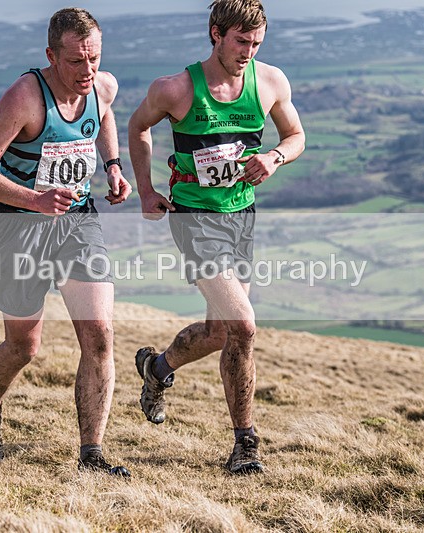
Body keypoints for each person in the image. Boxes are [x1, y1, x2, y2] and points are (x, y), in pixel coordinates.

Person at [127, 0, 305, 474]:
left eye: (256, 43)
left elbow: (296, 136)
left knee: (219, 332)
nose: (249, 51)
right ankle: (246, 445)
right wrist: (146, 190)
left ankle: (156, 369)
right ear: (216, 34)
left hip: (241, 215)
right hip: (194, 218)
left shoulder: (270, 82)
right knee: (244, 325)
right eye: (241, 41)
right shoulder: (176, 88)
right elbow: (138, 126)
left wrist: (275, 157)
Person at [0, 8, 132, 477]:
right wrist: (35, 200)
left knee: (99, 334)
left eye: (94, 58)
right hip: (17, 227)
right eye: (76, 61)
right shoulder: (25, 98)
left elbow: (104, 115)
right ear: (51, 56)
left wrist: (113, 166)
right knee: (23, 347)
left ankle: (91, 455)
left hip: (77, 222)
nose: (87, 70)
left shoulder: (103, 86)